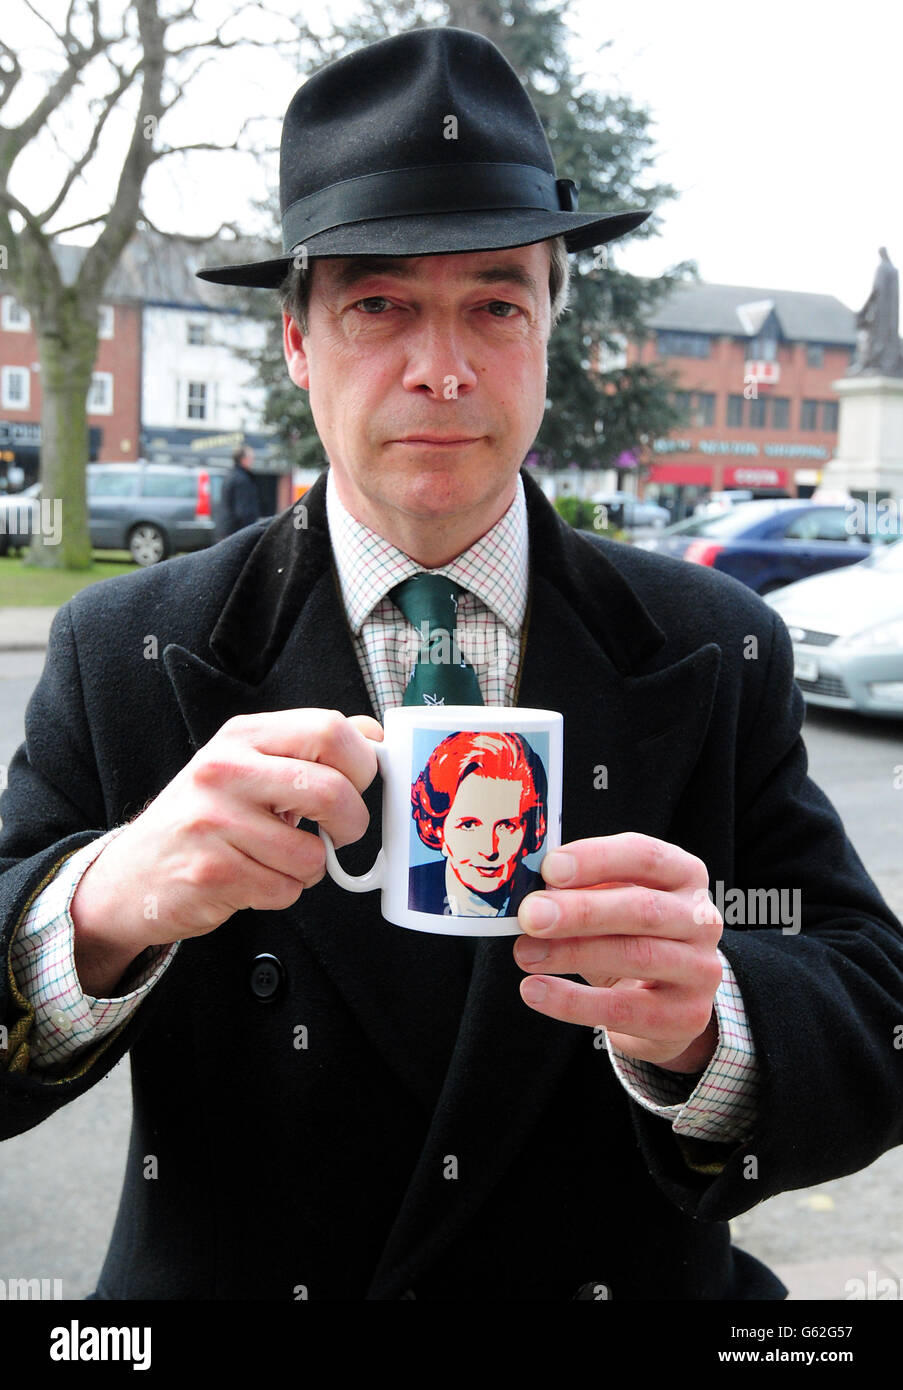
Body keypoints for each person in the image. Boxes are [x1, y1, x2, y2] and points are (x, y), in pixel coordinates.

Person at [1, 26, 903, 1303]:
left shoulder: (715, 648)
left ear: (549, 337)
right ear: (299, 343)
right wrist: (96, 908)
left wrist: (714, 1024)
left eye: (494, 303)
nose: (442, 366)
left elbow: (873, 1000)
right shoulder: (127, 652)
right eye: (379, 305)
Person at [408, 731, 547, 916]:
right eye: (468, 825)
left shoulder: (544, 891)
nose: (490, 850)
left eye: (507, 826)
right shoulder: (409, 885)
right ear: (437, 827)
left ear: (529, 828)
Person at [215, 444, 258, 539]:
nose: (252, 461)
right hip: (236, 532)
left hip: (226, 529)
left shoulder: (230, 475)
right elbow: (243, 511)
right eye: (251, 458)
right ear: (243, 459)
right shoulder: (242, 479)